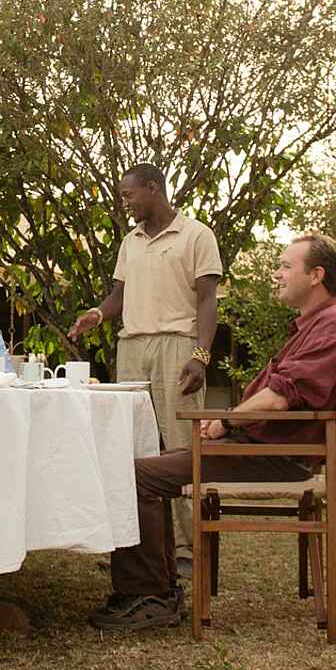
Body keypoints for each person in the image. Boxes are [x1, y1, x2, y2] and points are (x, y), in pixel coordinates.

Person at [87, 232, 336, 631]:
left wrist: (227, 420)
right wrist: (227, 425)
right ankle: (160, 588)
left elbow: (280, 399)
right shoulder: (313, 325)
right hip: (259, 448)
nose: (277, 274)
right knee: (147, 468)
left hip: (275, 459)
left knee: (135, 476)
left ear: (316, 275)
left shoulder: (333, 326)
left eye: (286, 266)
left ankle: (149, 596)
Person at [70, 163, 222, 576]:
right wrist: (98, 315)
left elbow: (208, 301)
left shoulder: (196, 235)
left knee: (181, 447)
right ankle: (132, 545)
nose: (125, 202)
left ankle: (190, 550)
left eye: (128, 194)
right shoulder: (129, 242)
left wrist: (201, 356)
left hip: (178, 344)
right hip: (132, 346)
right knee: (129, 448)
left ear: (153, 189)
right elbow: (121, 294)